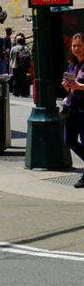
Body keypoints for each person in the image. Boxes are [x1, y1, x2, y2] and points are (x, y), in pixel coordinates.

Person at [61, 33, 84, 189]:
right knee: (69, 139)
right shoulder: (72, 65)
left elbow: (79, 86)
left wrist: (79, 86)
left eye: (79, 45)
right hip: (73, 107)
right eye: (74, 46)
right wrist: (67, 85)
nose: (76, 48)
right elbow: (71, 86)